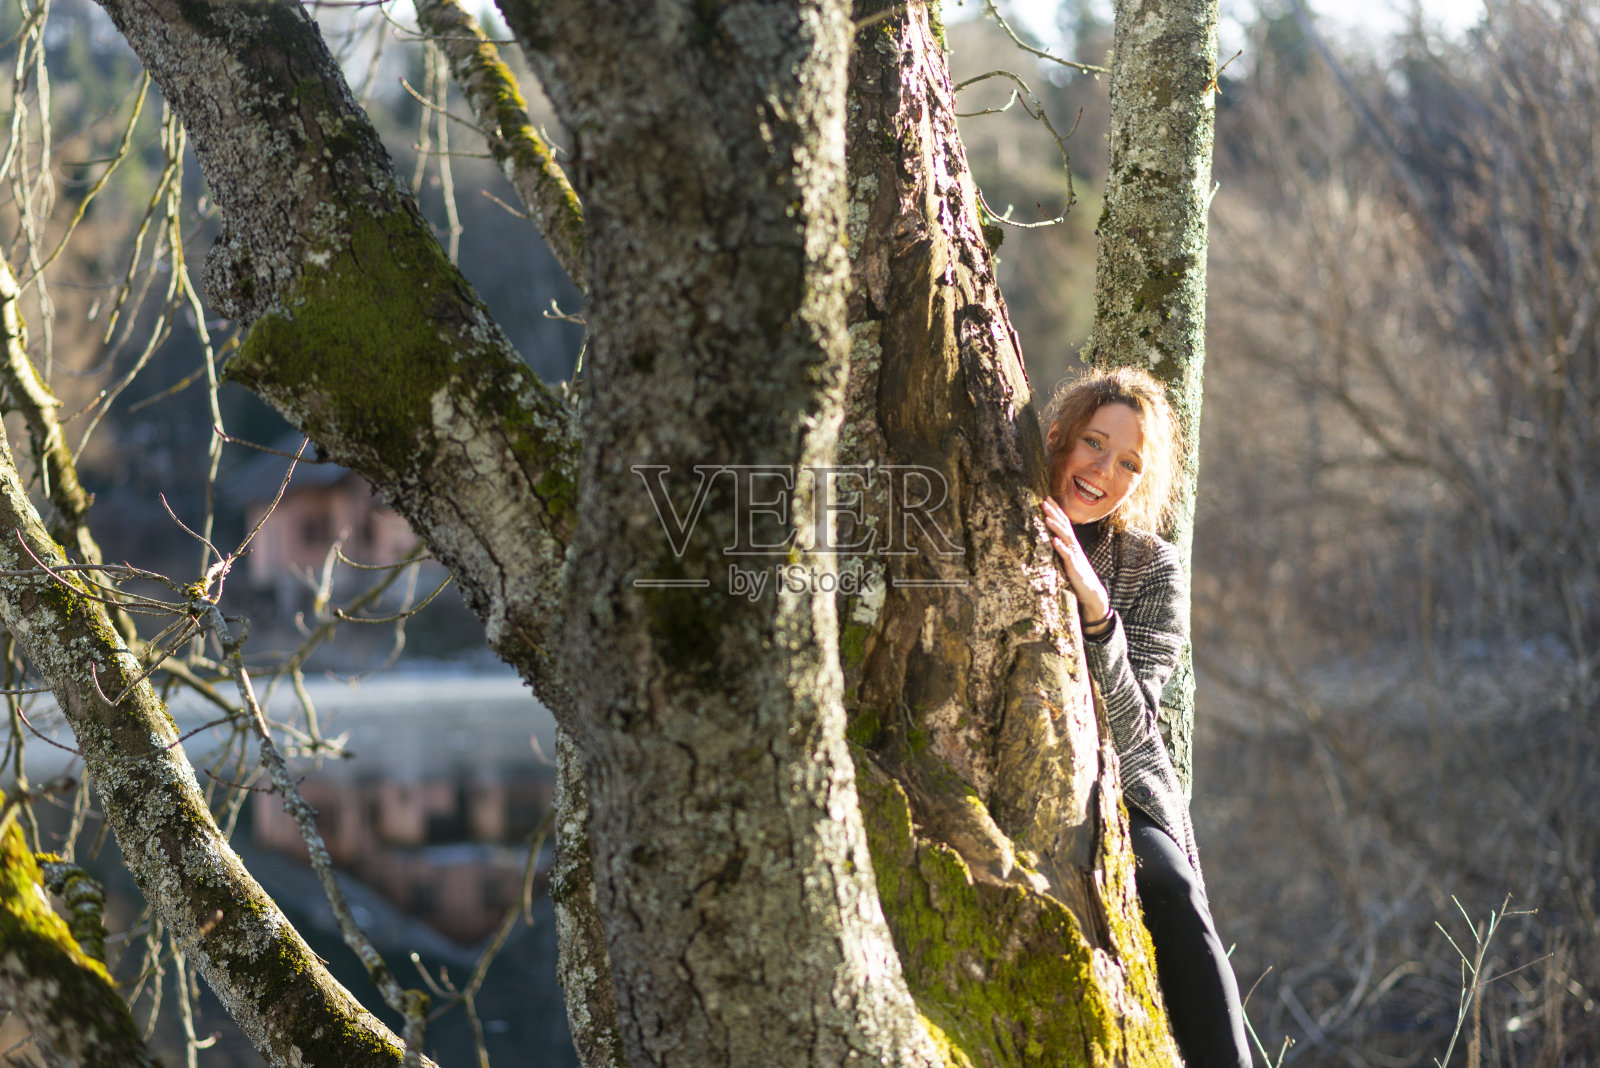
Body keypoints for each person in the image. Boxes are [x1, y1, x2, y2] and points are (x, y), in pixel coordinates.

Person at [1038, 366, 1253, 1068]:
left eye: (1128, 461)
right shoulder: (1003, 517)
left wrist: (1099, 615)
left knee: (1167, 885)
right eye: (1094, 444)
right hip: (1026, 767)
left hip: (1127, 787)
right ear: (1059, 436)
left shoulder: (1151, 566)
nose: (1104, 471)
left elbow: (1135, 726)